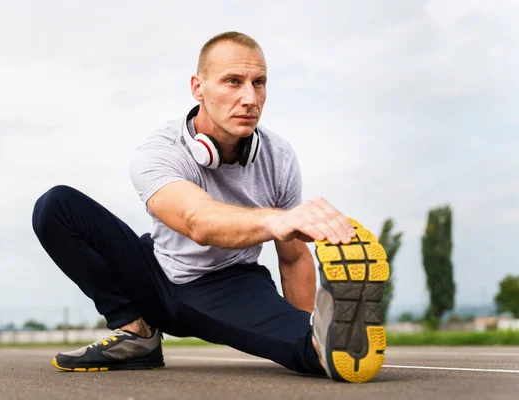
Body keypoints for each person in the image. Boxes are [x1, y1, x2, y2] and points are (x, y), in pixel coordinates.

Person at [31, 31, 390, 383]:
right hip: (154, 274)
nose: (250, 97)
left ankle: (318, 340)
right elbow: (196, 220)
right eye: (233, 81)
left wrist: (304, 325)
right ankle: (135, 333)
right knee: (56, 206)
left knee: (314, 352)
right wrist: (276, 219)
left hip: (229, 285)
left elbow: (293, 257)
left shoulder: (278, 158)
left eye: (259, 83)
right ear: (197, 87)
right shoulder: (159, 151)